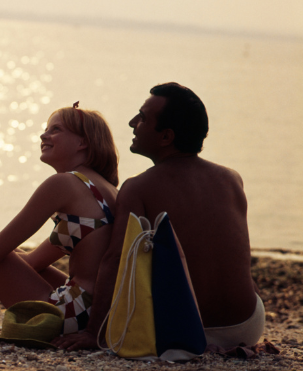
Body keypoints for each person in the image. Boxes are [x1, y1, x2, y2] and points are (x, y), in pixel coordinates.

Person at [56, 83, 264, 351]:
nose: (132, 123)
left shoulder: (139, 187)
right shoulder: (232, 179)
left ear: (166, 137)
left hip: (187, 329)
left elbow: (116, 258)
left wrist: (93, 332)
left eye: (142, 117)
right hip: (248, 325)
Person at [0, 105, 118, 336]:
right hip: (100, 314)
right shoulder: (104, 188)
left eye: (56, 129)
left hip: (73, 316)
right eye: (46, 129)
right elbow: (31, 262)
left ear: (82, 142)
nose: (44, 135)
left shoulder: (64, 183)